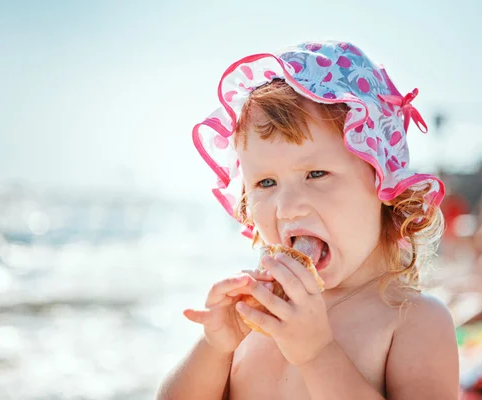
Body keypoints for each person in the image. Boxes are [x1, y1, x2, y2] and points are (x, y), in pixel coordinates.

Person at [157, 40, 459, 400]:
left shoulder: (412, 320)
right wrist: (215, 346)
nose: (287, 208)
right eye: (265, 182)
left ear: (384, 186)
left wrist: (317, 354)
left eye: (316, 174)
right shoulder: (254, 316)